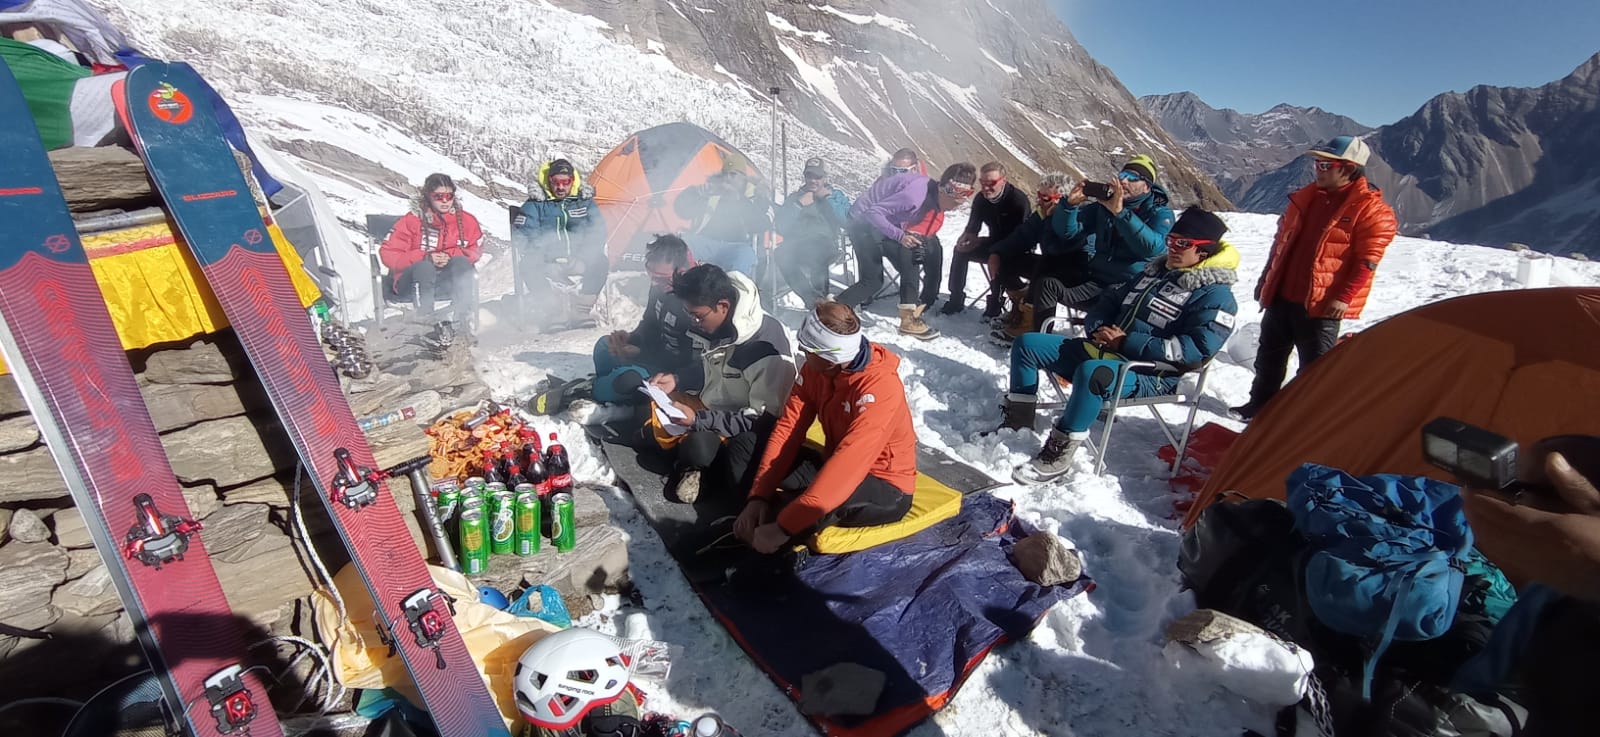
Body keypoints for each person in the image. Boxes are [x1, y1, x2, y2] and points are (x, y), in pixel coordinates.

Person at [1004, 207, 1237, 484]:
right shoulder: (1153, 273)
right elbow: (1110, 300)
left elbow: (1196, 350)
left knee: (1093, 373)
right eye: (1171, 240)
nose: (1173, 248)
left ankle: (1058, 454)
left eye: (1183, 244)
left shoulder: (1216, 296)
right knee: (1028, 343)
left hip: (1152, 373)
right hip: (1108, 351)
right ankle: (1017, 423)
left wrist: (1128, 342)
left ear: (1205, 251)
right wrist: (1098, 326)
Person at [1231, 135, 1398, 421]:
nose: (1317, 169)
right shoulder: (1305, 199)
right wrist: (1266, 280)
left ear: (1347, 168)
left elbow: (1367, 261)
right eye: (1317, 163)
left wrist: (1344, 298)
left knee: (1314, 368)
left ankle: (1305, 420)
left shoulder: (1372, 210)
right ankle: (1259, 405)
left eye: (1324, 164)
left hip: (1321, 305)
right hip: (1283, 294)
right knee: (1269, 356)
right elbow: (1281, 244)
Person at [736, 302, 916, 554]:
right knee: (743, 449)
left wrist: (783, 528)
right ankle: (769, 512)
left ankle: (767, 541)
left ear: (831, 359)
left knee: (791, 516)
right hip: (834, 464)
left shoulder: (879, 388)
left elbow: (849, 464)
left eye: (807, 350)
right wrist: (758, 496)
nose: (802, 353)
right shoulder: (815, 370)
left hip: (884, 486)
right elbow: (788, 429)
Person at [648, 264, 795, 503]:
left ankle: (694, 467)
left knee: (700, 446)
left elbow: (762, 420)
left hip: (739, 424)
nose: (694, 322)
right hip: (710, 406)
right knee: (655, 401)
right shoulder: (719, 324)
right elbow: (711, 369)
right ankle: (689, 465)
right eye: (690, 315)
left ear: (723, 306)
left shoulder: (766, 349)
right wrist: (677, 379)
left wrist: (699, 421)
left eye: (698, 316)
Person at [1030, 154, 1174, 335]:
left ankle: (1092, 354)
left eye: (1132, 178)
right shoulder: (1103, 207)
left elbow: (1150, 248)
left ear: (1146, 186)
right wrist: (1069, 206)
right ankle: (1041, 338)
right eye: (1122, 176)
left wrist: (1120, 213)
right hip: (1096, 281)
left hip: (1128, 288)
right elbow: (1068, 232)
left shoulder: (1161, 214)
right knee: (1047, 283)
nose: (1124, 182)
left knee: (1100, 320)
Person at [835, 162, 978, 339]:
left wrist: (909, 237)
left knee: (910, 259)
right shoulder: (915, 196)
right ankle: (831, 312)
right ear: (945, 191)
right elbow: (874, 213)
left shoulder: (933, 194)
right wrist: (900, 236)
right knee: (872, 281)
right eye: (955, 202)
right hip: (861, 223)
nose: (955, 207)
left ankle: (908, 320)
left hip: (881, 225)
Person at [571, 235, 699, 418]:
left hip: (670, 372)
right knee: (604, 346)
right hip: (652, 357)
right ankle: (610, 390)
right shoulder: (660, 287)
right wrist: (631, 339)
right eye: (651, 276)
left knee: (627, 380)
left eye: (662, 279)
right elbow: (650, 324)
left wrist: (640, 352)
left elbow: (688, 358)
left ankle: (600, 391)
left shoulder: (694, 300)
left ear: (683, 270)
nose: (655, 283)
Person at [987, 172, 1091, 341]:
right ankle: (1021, 307)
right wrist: (997, 252)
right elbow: (1021, 237)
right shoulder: (1042, 214)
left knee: (1046, 265)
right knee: (1009, 259)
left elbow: (1056, 249)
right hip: (1050, 267)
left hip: (1077, 275)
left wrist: (1052, 219)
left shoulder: (1079, 216)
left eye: (1046, 198)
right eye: (1039, 196)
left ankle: (1032, 325)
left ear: (1062, 199)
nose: (1040, 201)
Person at [510, 158, 609, 329]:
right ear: (549, 182)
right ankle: (553, 311)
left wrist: (582, 257)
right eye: (556, 182)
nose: (560, 187)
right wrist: (547, 258)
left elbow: (598, 231)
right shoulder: (536, 204)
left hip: (579, 260)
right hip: (546, 262)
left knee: (600, 261)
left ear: (573, 181)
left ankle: (581, 310)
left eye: (565, 182)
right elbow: (524, 234)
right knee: (527, 265)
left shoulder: (584, 202)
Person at [379, 173, 482, 333]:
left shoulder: (466, 221)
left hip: (445, 281)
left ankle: (463, 319)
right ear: (428, 196)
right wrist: (424, 257)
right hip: (412, 282)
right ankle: (424, 321)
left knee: (462, 263)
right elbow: (389, 254)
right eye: (438, 196)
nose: (445, 201)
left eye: (449, 196)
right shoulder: (411, 221)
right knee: (424, 267)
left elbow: (475, 249)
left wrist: (450, 256)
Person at [944, 162, 1030, 317]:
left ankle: (997, 302)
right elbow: (973, 226)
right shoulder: (981, 199)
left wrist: (994, 249)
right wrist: (967, 238)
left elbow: (1021, 237)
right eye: (982, 183)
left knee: (998, 259)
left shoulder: (1018, 201)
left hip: (1017, 247)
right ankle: (956, 298)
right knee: (960, 251)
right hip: (993, 242)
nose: (985, 188)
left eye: (991, 183)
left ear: (1003, 180)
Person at [673, 153, 773, 276]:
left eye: (733, 175)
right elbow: (682, 211)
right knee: (680, 244)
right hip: (705, 241)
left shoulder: (756, 195)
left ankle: (735, 290)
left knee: (745, 256)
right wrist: (694, 194)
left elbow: (762, 224)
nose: (728, 179)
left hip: (737, 246)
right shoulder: (713, 190)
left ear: (743, 177)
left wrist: (739, 199)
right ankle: (680, 285)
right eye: (725, 174)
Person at [773, 157, 850, 305]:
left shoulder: (835, 196)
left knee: (816, 252)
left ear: (825, 178)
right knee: (781, 255)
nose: (813, 180)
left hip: (825, 244)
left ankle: (820, 297)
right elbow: (781, 225)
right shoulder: (795, 198)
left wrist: (828, 199)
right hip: (797, 244)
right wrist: (798, 205)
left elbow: (847, 220)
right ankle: (813, 300)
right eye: (809, 176)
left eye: (818, 177)